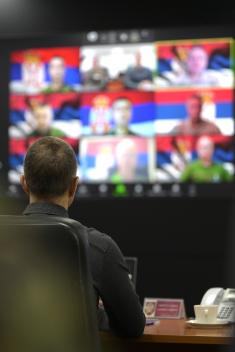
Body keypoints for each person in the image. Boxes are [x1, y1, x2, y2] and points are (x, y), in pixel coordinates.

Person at [20, 136, 145, 337]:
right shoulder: (98, 248)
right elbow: (133, 327)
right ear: (74, 186)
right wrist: (92, 316)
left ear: (24, 183)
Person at [158, 45, 226, 87]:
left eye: (200, 58)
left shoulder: (215, 80)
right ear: (187, 61)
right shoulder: (175, 83)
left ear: (206, 61)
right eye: (192, 58)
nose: (196, 61)